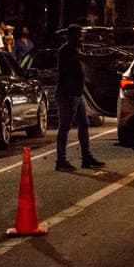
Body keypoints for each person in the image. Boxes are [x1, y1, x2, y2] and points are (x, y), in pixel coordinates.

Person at [55, 24, 105, 172]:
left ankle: (86, 158)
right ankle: (61, 160)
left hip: (77, 94)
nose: (81, 38)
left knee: (84, 125)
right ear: (71, 36)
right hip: (67, 94)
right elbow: (84, 59)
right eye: (79, 35)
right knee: (64, 128)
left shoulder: (76, 49)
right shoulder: (66, 51)